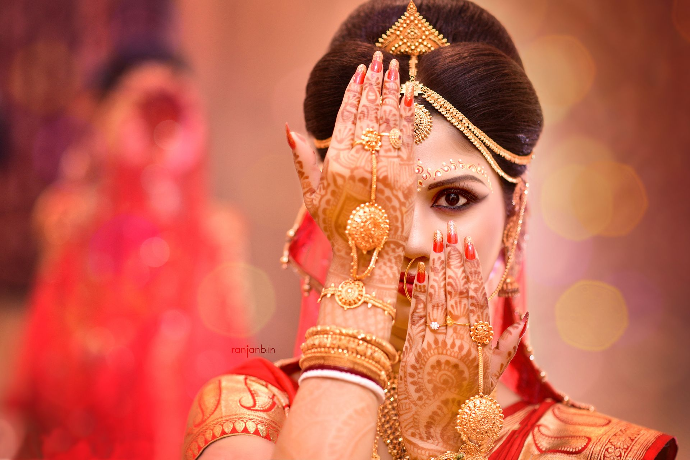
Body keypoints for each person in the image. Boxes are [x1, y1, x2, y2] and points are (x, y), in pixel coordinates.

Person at [182, 1, 678, 459]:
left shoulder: (601, 451)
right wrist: (360, 285)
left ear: (514, 216)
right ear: (323, 203)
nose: (412, 240)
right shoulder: (248, 418)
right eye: (375, 198)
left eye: (453, 199)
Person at [5, 48, 252, 459]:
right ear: (101, 114)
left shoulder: (217, 228)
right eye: (143, 106)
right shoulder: (70, 218)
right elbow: (48, 339)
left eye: (174, 107)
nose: (159, 121)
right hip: (91, 427)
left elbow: (236, 345)